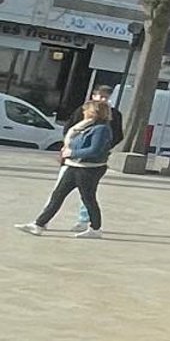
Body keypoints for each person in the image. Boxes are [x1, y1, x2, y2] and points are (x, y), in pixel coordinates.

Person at [18, 98, 115, 237]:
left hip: (89, 168)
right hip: (74, 165)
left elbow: (95, 150)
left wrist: (72, 152)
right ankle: (38, 225)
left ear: (94, 112)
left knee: (88, 198)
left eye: (86, 110)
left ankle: (95, 229)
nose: (84, 112)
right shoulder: (85, 125)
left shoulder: (101, 129)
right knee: (58, 195)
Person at [66, 88, 124, 233]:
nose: (103, 99)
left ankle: (86, 222)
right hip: (73, 158)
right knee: (59, 192)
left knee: (87, 194)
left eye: (106, 97)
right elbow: (69, 128)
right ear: (94, 96)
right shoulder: (83, 110)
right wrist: (69, 146)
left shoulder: (113, 115)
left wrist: (104, 147)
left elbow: (118, 135)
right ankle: (41, 221)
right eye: (101, 96)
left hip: (92, 162)